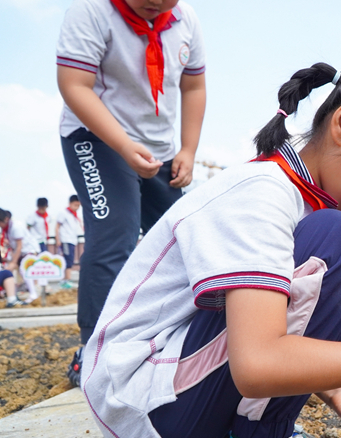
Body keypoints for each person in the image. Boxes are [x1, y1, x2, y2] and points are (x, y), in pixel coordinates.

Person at [81, 60, 341, 438]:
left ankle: (256, 436)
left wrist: (334, 389)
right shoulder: (262, 194)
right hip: (143, 402)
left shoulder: (297, 199)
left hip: (169, 399)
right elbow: (258, 363)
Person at [56, 0, 207, 385]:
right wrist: (123, 146)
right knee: (114, 237)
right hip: (97, 138)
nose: (155, 2)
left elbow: (193, 86)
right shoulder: (91, 11)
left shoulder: (185, 20)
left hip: (158, 148)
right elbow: (74, 85)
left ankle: (166, 339)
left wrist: (188, 149)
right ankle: (94, 353)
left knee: (180, 240)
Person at [0, 209, 41, 306]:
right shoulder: (6, 229)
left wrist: (13, 262)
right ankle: (14, 295)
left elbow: (19, 246)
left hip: (29, 251)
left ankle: (33, 294)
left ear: (5, 219)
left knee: (24, 270)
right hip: (21, 253)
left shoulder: (16, 227)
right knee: (19, 273)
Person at [55, 195, 82, 289]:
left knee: (70, 259)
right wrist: (58, 239)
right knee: (68, 260)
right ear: (70, 203)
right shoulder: (64, 213)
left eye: (78, 206)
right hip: (66, 240)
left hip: (72, 240)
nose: (77, 207)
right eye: (75, 205)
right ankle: (67, 279)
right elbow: (57, 227)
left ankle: (67, 279)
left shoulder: (74, 215)